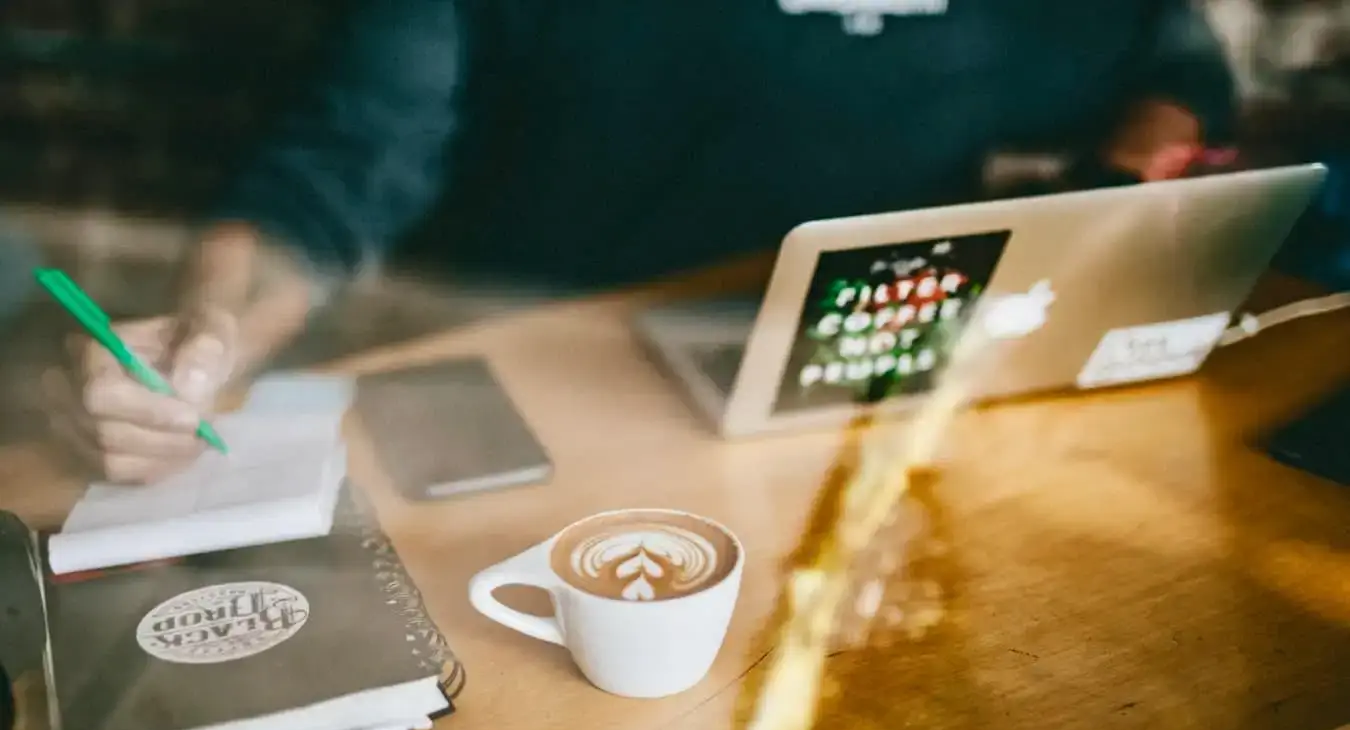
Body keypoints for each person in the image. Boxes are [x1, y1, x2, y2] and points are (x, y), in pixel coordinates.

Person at [46, 0, 1237, 484]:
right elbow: (334, 177)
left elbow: (1170, 61)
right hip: (533, 411)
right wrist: (205, 338)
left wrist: (1123, 186)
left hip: (870, 399)